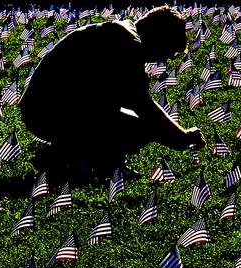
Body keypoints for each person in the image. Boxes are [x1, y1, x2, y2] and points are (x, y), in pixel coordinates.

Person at [19, 5, 204, 184]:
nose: (162, 59)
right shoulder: (129, 44)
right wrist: (181, 136)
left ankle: (85, 156)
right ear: (158, 37)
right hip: (48, 112)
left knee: (127, 121)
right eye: (167, 51)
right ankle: (67, 156)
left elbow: (116, 100)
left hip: (45, 108)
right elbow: (143, 106)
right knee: (141, 130)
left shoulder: (123, 33)